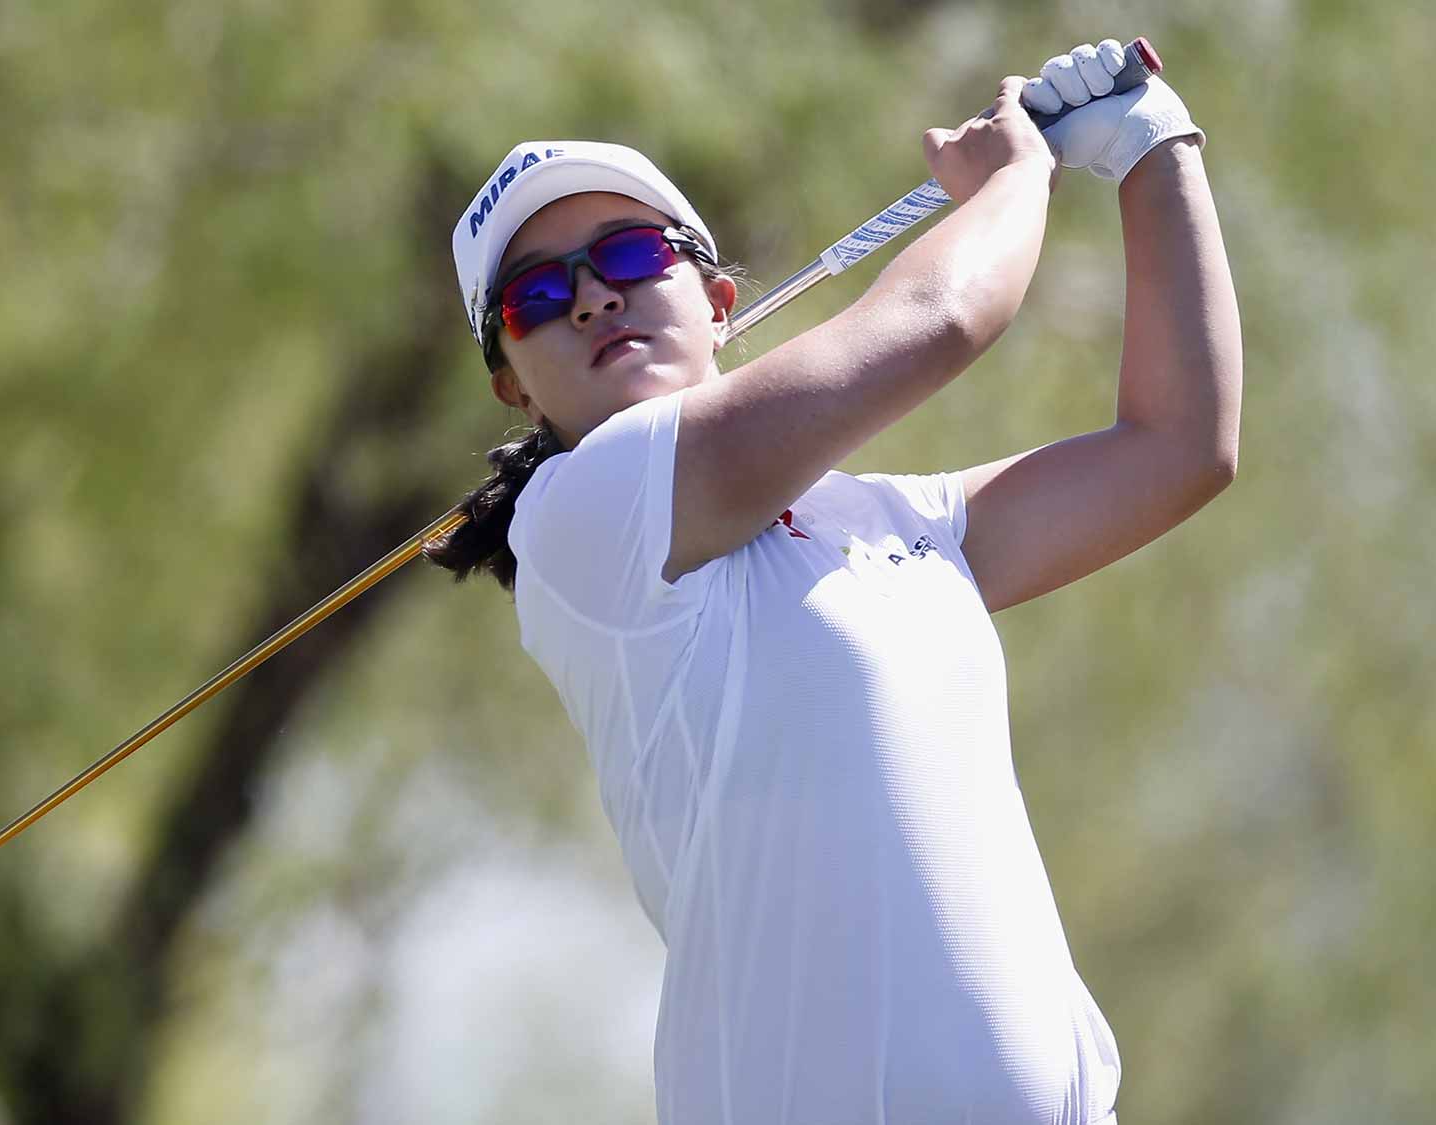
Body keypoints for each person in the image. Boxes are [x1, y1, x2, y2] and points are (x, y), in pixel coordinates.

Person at [427, 38, 1240, 1125]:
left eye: (627, 254)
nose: (587, 298)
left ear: (718, 300)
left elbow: (1177, 449)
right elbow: (939, 318)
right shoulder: (582, 518)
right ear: (515, 391)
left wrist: (1153, 145)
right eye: (533, 295)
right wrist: (1016, 175)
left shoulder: (895, 522)